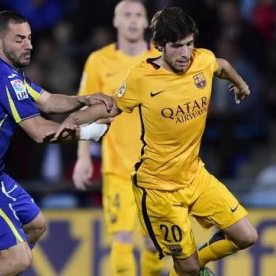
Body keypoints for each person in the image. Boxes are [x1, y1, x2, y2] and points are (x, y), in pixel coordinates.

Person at [53, 7, 258, 276]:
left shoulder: (202, 60)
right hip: (159, 189)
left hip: (196, 176)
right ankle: (192, 269)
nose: (185, 54)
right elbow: (111, 107)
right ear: (160, 45)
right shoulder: (142, 77)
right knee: (181, 266)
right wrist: (74, 120)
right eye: (176, 47)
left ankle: (197, 267)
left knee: (246, 236)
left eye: (189, 44)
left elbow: (221, 65)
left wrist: (239, 83)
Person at [0, 10, 112, 276]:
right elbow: (39, 131)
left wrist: (85, 99)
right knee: (19, 259)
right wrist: (87, 133)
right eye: (19, 39)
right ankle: (6, 255)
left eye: (30, 38)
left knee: (36, 225)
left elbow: (47, 101)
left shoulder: (5, 72)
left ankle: (3, 258)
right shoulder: (1, 78)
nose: (29, 45)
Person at [72, 1, 163, 275]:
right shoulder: (99, 61)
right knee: (121, 244)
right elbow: (86, 112)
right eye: (127, 15)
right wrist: (83, 157)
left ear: (147, 22)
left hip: (157, 169)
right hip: (117, 169)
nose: (133, 21)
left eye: (138, 15)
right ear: (116, 22)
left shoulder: (160, 61)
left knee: (153, 246)